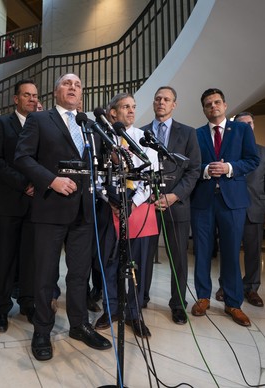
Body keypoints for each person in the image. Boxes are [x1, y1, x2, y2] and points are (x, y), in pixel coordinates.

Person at [15, 73, 112, 361]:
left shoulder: (91, 125)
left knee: (79, 274)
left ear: (81, 94)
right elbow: (22, 157)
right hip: (51, 208)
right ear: (56, 91)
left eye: (78, 85)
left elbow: (97, 163)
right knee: (46, 275)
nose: (73, 87)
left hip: (84, 211)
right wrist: (51, 180)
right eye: (67, 84)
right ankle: (42, 331)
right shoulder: (40, 119)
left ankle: (79, 325)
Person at [190, 88, 259, 327]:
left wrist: (229, 168)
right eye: (208, 104)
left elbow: (253, 160)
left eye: (217, 102)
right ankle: (202, 297)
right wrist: (207, 170)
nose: (213, 107)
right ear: (204, 109)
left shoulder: (241, 130)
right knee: (202, 251)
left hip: (233, 202)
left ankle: (233, 303)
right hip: (203, 201)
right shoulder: (196, 134)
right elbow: (190, 166)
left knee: (230, 252)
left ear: (225, 105)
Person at [94, 93, 158, 338]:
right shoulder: (103, 139)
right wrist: (110, 199)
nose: (131, 111)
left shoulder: (144, 138)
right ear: (113, 113)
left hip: (138, 210)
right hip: (110, 210)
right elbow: (97, 176)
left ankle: (134, 312)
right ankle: (111, 308)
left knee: (138, 265)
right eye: (125, 107)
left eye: (133, 107)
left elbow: (151, 177)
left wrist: (132, 202)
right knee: (111, 263)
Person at [141, 86, 201, 325]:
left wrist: (174, 196)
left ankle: (178, 304)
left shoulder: (188, 133)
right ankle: (140, 297)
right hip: (147, 205)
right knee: (144, 255)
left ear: (174, 104)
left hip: (176, 204)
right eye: (157, 99)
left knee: (178, 257)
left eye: (166, 99)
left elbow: (194, 169)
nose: (161, 102)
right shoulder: (141, 132)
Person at [0, 79, 38, 332]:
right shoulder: (1, 123)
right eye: (26, 95)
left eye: (35, 95)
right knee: (6, 258)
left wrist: (37, 184)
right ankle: (2, 308)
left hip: (35, 203)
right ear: (15, 99)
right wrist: (24, 183)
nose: (31, 99)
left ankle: (28, 303)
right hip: (9, 200)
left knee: (30, 258)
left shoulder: (41, 124)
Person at [215, 112, 265, 307]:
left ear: (253, 125)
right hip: (231, 207)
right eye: (241, 124)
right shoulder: (228, 150)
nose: (246, 127)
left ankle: (251, 288)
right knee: (228, 250)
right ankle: (226, 286)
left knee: (253, 252)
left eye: (249, 123)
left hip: (254, 209)